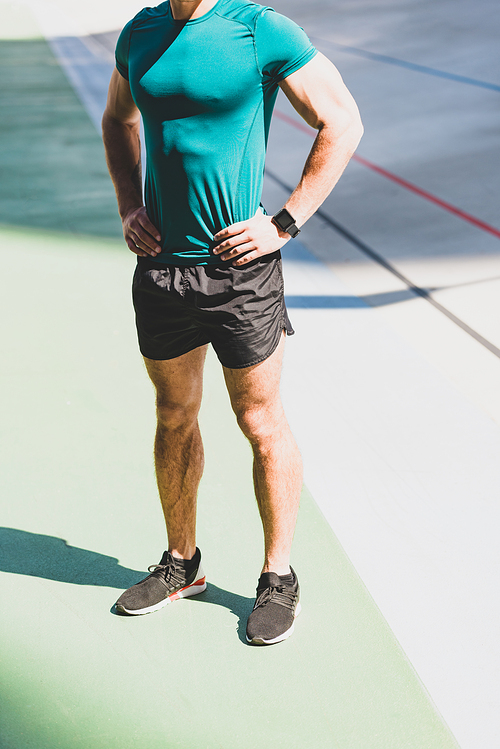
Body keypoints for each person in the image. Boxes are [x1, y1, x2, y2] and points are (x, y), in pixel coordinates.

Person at [102, 0, 362, 645]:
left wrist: (284, 222)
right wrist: (129, 203)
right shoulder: (141, 31)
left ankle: (277, 575)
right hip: (162, 270)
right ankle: (181, 562)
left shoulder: (261, 30)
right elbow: (116, 119)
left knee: (259, 419)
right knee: (173, 413)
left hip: (240, 272)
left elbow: (342, 121)